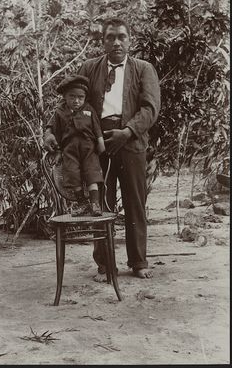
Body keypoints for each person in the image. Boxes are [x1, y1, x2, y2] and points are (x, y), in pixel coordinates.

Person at [77, 17, 161, 280]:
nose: (116, 42)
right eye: (110, 37)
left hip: (131, 142)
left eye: (121, 37)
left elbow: (150, 108)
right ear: (102, 41)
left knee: (135, 202)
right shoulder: (89, 68)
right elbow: (74, 103)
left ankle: (138, 261)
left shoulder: (143, 69)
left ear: (129, 40)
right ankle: (105, 265)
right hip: (98, 144)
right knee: (101, 204)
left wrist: (127, 132)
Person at [44, 75, 105, 216]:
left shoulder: (89, 109)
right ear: (65, 96)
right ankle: (82, 203)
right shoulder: (60, 112)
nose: (76, 101)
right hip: (69, 150)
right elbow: (56, 132)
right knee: (72, 174)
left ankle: (95, 204)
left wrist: (100, 141)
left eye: (80, 97)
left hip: (89, 148)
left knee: (92, 172)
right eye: (72, 97)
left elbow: (96, 127)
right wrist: (59, 152)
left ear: (85, 98)